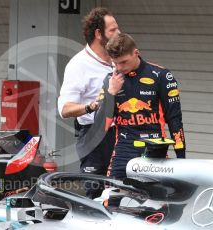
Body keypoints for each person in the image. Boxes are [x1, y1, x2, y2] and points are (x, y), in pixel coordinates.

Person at [99, 33, 186, 179]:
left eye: (124, 62)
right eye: (116, 63)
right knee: (112, 199)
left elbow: (175, 120)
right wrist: (111, 93)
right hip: (124, 149)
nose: (120, 67)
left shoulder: (162, 76)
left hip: (154, 149)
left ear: (136, 53)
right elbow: (103, 126)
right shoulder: (111, 80)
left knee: (154, 200)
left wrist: (181, 159)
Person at [58, 7, 119, 199]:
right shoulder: (78, 65)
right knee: (96, 193)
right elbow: (64, 108)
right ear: (98, 34)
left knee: (123, 191)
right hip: (94, 135)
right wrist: (90, 106)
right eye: (113, 30)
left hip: (122, 133)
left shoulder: (119, 58)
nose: (118, 33)